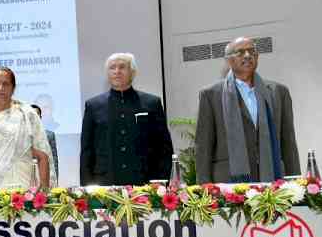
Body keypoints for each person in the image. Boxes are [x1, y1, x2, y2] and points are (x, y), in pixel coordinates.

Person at [195, 37, 300, 183]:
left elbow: (289, 143)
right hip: (229, 182)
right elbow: (203, 148)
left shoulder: (278, 92)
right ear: (229, 60)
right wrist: (204, 188)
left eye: (252, 51)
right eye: (240, 52)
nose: (247, 55)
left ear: (257, 57)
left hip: (273, 179)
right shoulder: (211, 94)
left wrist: (295, 181)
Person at [80, 53, 173, 186]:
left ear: (133, 72)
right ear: (108, 73)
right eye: (112, 68)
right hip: (105, 184)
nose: (117, 71)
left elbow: (164, 148)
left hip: (144, 183)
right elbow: (87, 151)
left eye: (122, 67)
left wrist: (160, 182)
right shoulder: (93, 105)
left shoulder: (151, 103)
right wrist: (87, 189)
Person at [31, 104, 59, 181]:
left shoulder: (49, 135)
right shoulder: (21, 135)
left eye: (37, 115)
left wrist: (56, 177)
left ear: (40, 117)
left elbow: (54, 159)